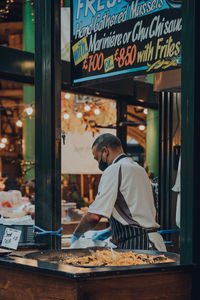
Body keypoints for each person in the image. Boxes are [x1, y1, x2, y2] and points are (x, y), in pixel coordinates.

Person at [71, 133, 166, 251]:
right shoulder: (139, 169)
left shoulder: (114, 169)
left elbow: (93, 217)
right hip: (154, 244)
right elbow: (136, 214)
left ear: (105, 151)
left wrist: (76, 235)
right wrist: (110, 231)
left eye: (97, 158)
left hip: (138, 246)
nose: (98, 163)